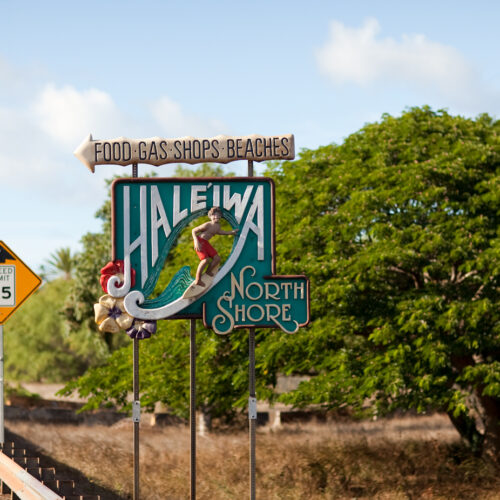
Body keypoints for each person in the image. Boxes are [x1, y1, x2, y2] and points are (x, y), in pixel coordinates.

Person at [192, 207, 238, 287]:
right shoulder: (208, 224)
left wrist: (231, 232)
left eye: (218, 216)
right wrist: (196, 242)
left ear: (220, 217)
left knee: (217, 258)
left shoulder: (218, 226)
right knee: (205, 260)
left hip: (206, 243)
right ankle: (198, 280)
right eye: (214, 216)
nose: (216, 217)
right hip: (200, 241)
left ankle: (208, 271)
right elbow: (194, 230)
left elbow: (220, 232)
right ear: (211, 216)